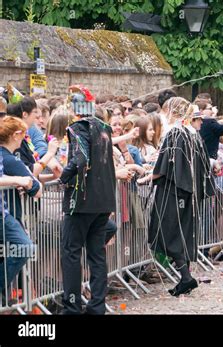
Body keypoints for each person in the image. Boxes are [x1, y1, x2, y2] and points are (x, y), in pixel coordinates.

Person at [148, 98, 214, 297]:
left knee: (166, 234)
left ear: (171, 111)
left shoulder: (175, 134)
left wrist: (148, 177)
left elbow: (164, 166)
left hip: (172, 191)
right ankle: (185, 278)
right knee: (179, 234)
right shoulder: (192, 134)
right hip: (188, 192)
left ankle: (186, 277)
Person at [59, 85, 116, 315]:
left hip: (81, 202)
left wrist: (64, 176)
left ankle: (72, 307)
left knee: (71, 253)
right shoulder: (104, 127)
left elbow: (80, 158)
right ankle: (97, 306)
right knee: (96, 255)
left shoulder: (77, 128)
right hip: (102, 201)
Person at [0, 116, 40, 299]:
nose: (25, 139)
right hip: (5, 214)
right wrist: (19, 180)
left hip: (6, 212)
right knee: (24, 247)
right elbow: (36, 187)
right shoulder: (9, 159)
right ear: (16, 135)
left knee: (21, 248)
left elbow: (35, 186)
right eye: (23, 135)